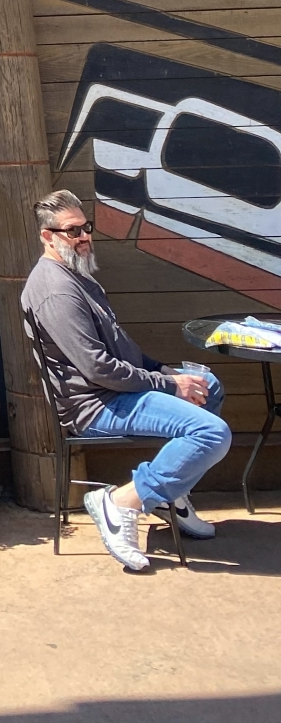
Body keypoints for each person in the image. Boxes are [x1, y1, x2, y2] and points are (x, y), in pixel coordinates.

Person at [21, 188, 231, 572]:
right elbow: (99, 368)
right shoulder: (55, 290)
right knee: (211, 433)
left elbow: (122, 350)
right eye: (72, 231)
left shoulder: (78, 275)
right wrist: (170, 386)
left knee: (207, 385)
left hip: (117, 390)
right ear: (47, 236)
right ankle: (122, 502)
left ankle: (170, 495)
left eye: (86, 227)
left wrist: (168, 373)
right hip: (96, 405)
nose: (84, 237)